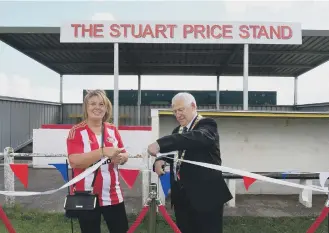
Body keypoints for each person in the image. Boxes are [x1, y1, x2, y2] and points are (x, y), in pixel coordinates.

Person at [147, 92, 233, 233]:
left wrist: (160, 143)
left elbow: (194, 138)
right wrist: (160, 159)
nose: (177, 114)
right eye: (174, 111)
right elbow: (174, 151)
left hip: (206, 197)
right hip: (182, 198)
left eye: (181, 109)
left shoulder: (207, 125)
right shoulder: (179, 130)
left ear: (193, 106)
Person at [66, 89, 129, 233]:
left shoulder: (113, 129)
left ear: (106, 108)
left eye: (101, 104)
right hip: (86, 195)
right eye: (92, 104)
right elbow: (74, 161)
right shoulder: (76, 131)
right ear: (86, 108)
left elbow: (124, 154)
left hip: (113, 193)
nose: (97, 107)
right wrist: (102, 152)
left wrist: (122, 158)